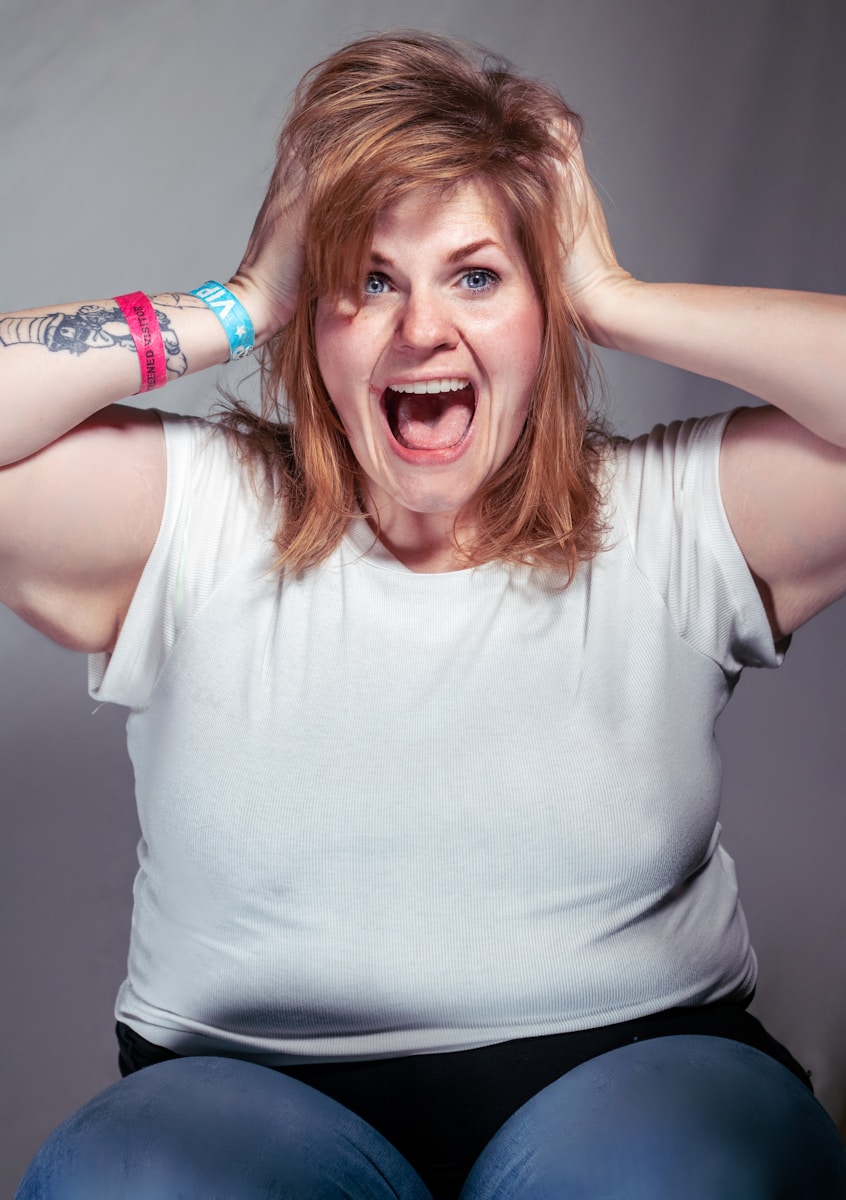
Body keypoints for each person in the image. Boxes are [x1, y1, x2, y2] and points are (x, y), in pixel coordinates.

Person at [6, 29, 846, 1200]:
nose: (420, 331)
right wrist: (237, 300)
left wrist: (614, 296)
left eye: (479, 275)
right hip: (245, 1104)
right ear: (315, 322)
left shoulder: (673, 516)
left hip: (645, 1078)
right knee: (134, 1182)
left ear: (542, 317)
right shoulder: (192, 514)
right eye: (369, 281)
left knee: (674, 1176)